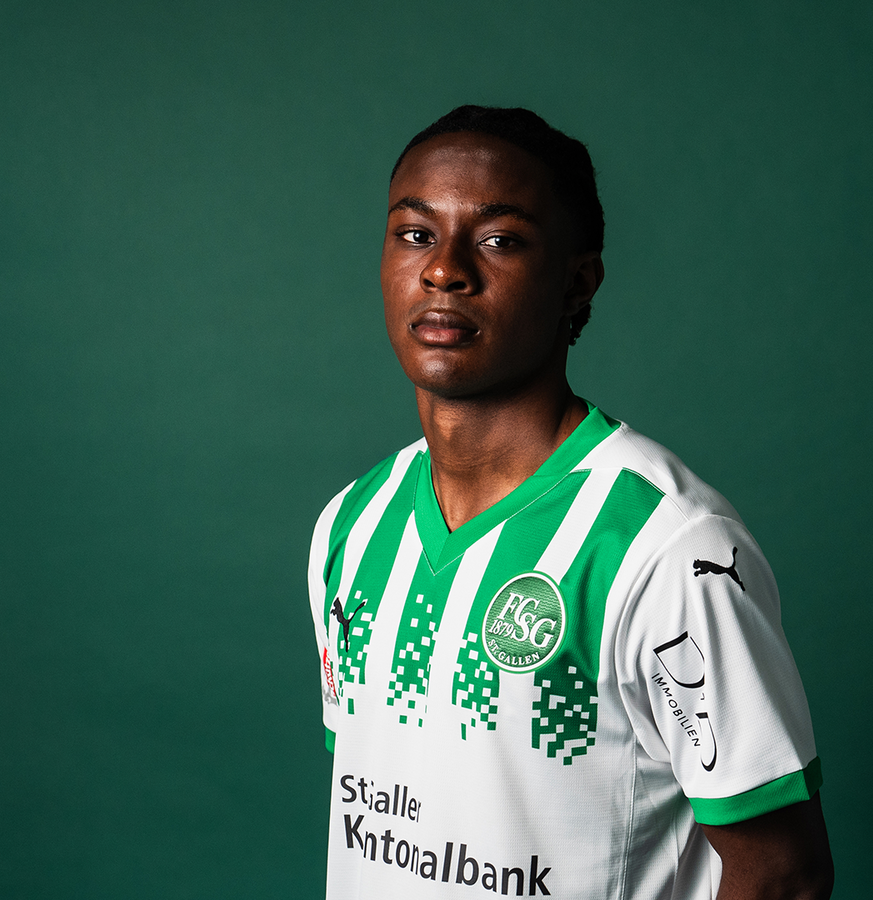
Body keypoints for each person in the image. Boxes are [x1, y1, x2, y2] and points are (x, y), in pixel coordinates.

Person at [306, 105, 833, 899]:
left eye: (499, 240)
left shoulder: (668, 548)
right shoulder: (351, 525)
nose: (445, 270)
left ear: (577, 282)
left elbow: (783, 876)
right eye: (415, 233)